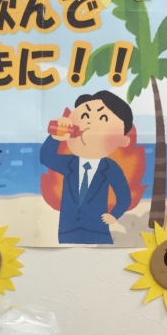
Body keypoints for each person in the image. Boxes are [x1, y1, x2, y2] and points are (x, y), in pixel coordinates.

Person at [40, 90, 133, 245]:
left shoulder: (110, 167)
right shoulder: (70, 164)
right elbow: (46, 158)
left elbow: (124, 197)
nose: (90, 124)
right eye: (85, 116)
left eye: (103, 118)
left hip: (98, 231)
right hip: (68, 230)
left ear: (122, 140)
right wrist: (55, 137)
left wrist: (114, 215)